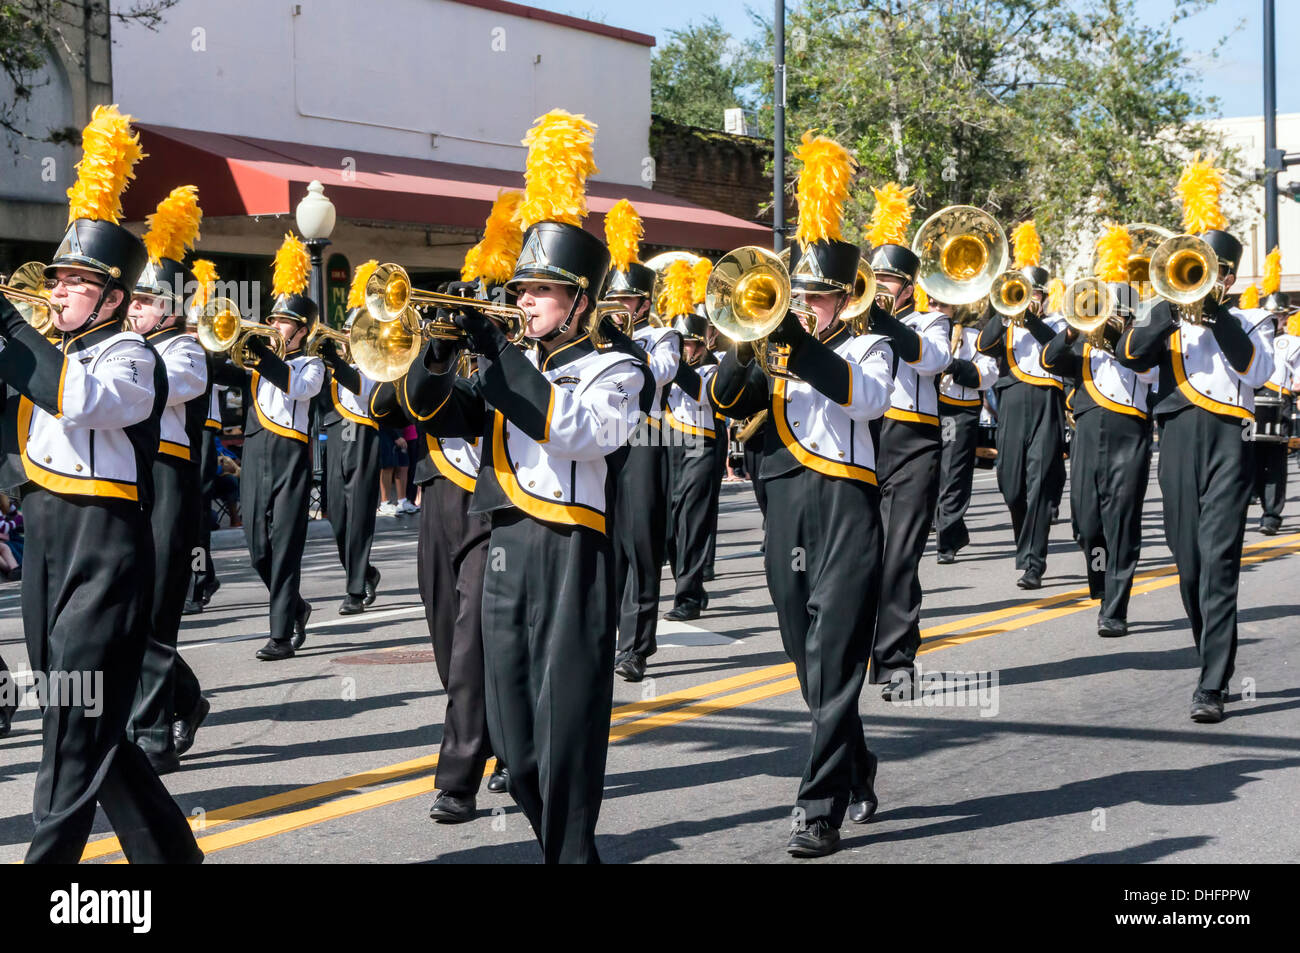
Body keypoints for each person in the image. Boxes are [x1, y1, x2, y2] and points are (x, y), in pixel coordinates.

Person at [399, 110, 645, 862]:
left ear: (577, 299)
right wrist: (438, 353)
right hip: (503, 537)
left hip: (570, 544)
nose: (525, 300)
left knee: (564, 718)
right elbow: (440, 414)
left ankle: (570, 852)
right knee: (511, 730)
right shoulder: (511, 363)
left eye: (540, 291)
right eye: (521, 289)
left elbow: (573, 429)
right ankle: (564, 842)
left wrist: (498, 359)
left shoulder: (615, 366)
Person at [0, 105, 201, 863]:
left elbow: (80, 400)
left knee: (71, 734)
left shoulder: (132, 358)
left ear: (114, 298)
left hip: (104, 552)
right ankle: (169, 855)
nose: (57, 292)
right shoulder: (48, 351)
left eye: (77, 283)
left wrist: (13, 331)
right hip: (48, 541)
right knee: (83, 722)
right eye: (57, 278)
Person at [710, 133, 894, 857]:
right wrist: (746, 341)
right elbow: (725, 399)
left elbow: (863, 399)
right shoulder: (776, 346)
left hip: (845, 506)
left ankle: (818, 808)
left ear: (846, 299)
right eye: (803, 294)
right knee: (806, 657)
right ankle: (856, 763)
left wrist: (797, 343)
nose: (810, 304)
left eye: (819, 295)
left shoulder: (865, 345)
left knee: (838, 654)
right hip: (783, 506)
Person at [1116, 157, 1274, 723]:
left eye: (1220, 273)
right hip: (1177, 440)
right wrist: (1168, 310)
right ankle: (1210, 650)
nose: (1213, 279)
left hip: (1229, 443)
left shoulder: (1251, 319)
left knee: (1219, 562)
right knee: (1188, 566)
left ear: (1229, 277)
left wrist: (1218, 315)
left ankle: (1212, 682)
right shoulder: (1166, 316)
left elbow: (1255, 370)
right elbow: (1131, 358)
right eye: (1204, 271)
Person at [124, 184, 212, 774]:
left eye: (146, 301)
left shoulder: (185, 350)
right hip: (126, 481)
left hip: (167, 482)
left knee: (155, 610)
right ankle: (185, 697)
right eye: (131, 298)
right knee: (127, 609)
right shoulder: (128, 342)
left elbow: (170, 386)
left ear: (173, 310)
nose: (134, 308)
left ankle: (153, 734)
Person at [860, 184, 954, 699]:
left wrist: (882, 322)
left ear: (908, 287)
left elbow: (932, 359)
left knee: (899, 556)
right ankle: (854, 648)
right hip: (864, 438)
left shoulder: (928, 320)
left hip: (913, 443)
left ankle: (895, 658)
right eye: (875, 280)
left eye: (890, 282)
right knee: (860, 554)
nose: (881, 289)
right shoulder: (856, 323)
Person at [214, 233, 325, 661]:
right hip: (255, 454)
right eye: (273, 320)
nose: (274, 326)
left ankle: (280, 634)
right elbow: (218, 371)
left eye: (283, 323)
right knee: (258, 547)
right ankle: (296, 607)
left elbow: (295, 387)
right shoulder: (255, 363)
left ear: (302, 330)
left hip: (290, 458)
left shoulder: (311, 365)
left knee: (285, 545)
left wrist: (262, 355)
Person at [1041, 234, 1157, 638]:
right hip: (1088, 438)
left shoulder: (1143, 350)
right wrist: (1073, 331)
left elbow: (1150, 375)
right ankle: (1101, 584)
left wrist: (1122, 342)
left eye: (1117, 315)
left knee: (1122, 524)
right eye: (1105, 314)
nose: (1109, 321)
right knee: (1087, 524)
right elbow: (1050, 359)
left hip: (1130, 439)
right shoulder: (1085, 354)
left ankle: (1115, 607)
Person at [603, 202, 682, 682]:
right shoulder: (594, 339)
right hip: (600, 439)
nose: (615, 308)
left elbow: (659, 373)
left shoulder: (663, 336)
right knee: (602, 543)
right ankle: (600, 635)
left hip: (645, 439)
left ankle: (636, 647)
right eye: (609, 298)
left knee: (640, 545)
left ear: (643, 305)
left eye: (624, 301)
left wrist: (623, 342)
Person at [976, 221, 1066, 589]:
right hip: (1012, 404)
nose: (1030, 301)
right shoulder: (1006, 325)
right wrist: (1005, 310)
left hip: (1047, 405)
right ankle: (1025, 543)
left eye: (1035, 296)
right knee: (1011, 484)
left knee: (1040, 483)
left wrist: (1030, 317)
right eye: (1025, 295)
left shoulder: (1057, 322)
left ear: (1044, 297)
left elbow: (1056, 350)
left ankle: (1034, 562)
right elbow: (982, 344)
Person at [317, 263, 382, 614]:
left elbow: (360, 389)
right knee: (338, 518)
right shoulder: (332, 365)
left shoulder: (377, 364)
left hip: (361, 436)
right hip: (335, 436)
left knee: (358, 516)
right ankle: (366, 573)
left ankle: (354, 591)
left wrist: (335, 364)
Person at [661, 263, 719, 624]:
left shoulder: (714, 366)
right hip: (664, 442)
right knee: (669, 525)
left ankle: (689, 596)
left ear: (702, 344)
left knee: (692, 521)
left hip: (701, 443)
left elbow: (701, 395)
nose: (685, 350)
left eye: (690, 344)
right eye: (679, 344)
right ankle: (692, 586)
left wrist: (672, 364)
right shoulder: (665, 364)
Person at [935, 300, 998, 562]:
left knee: (953, 472)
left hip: (959, 411)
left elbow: (990, 373)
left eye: (943, 305)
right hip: (928, 407)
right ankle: (949, 528)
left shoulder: (974, 337)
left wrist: (958, 367)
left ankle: (947, 539)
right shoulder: (922, 332)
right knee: (932, 470)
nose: (937, 309)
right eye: (933, 303)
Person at [1251, 257, 1298, 535]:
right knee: (1248, 458)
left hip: (1278, 404)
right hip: (1250, 404)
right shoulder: (1251, 338)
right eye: (1273, 315)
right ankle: (1250, 497)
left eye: (1281, 316)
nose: (1276, 320)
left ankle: (1271, 515)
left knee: (1275, 462)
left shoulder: (1292, 344)